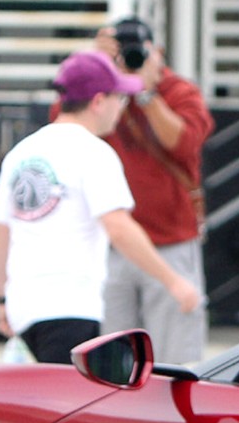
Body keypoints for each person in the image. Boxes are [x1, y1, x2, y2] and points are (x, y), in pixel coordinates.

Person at [0, 51, 202, 365]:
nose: (122, 108)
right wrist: (173, 281)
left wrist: (3, 297)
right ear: (99, 101)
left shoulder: (23, 152)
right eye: (120, 98)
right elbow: (118, 227)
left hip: (25, 307)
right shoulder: (93, 153)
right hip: (71, 304)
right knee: (69, 407)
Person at [89, 18, 212, 364]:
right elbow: (66, 127)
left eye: (137, 53)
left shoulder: (179, 91)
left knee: (176, 359)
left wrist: (145, 93)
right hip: (109, 244)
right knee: (110, 359)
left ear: (156, 52)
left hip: (169, 240)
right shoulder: (98, 92)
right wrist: (98, 72)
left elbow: (184, 144)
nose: (129, 61)